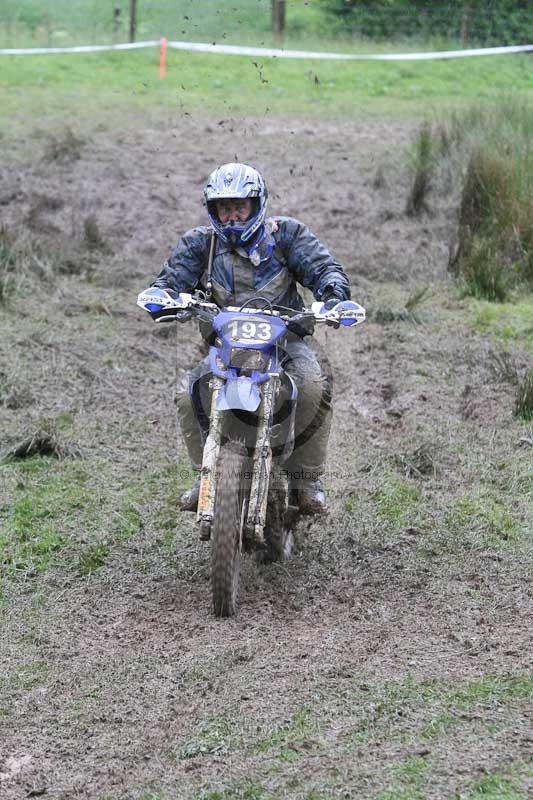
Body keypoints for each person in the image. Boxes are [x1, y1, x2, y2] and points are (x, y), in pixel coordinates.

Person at [144, 162, 351, 515]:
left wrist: (333, 296)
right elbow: (170, 279)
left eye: (239, 207)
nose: (232, 218)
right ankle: (204, 476)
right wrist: (161, 296)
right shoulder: (201, 244)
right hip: (225, 348)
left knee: (313, 386)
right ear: (213, 210)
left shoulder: (286, 236)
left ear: (257, 205)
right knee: (186, 393)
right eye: (224, 209)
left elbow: (324, 269)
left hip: (285, 344)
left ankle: (306, 480)